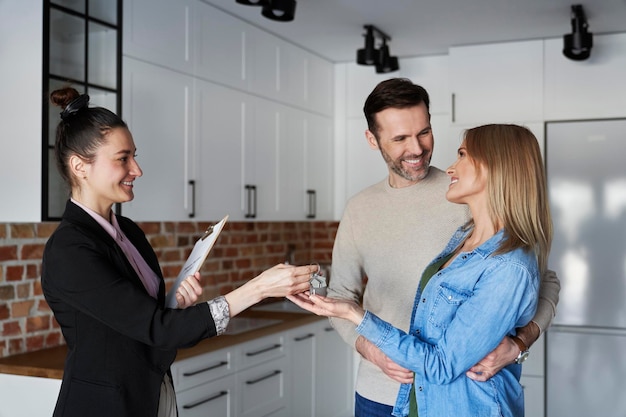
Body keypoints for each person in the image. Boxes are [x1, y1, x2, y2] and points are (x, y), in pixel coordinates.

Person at [41, 87, 316, 417]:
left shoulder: (127, 232)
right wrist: (257, 290)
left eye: (134, 156)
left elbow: (143, 321)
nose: (137, 170)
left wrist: (173, 304)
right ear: (79, 166)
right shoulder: (70, 249)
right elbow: (157, 329)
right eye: (123, 159)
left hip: (154, 393)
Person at [301, 78, 560, 416]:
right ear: (372, 139)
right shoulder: (359, 208)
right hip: (379, 390)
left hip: (453, 392)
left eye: (424, 132)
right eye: (400, 138)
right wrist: (369, 348)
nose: (417, 148)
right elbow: (341, 294)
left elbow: (540, 280)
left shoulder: (468, 192)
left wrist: (520, 343)